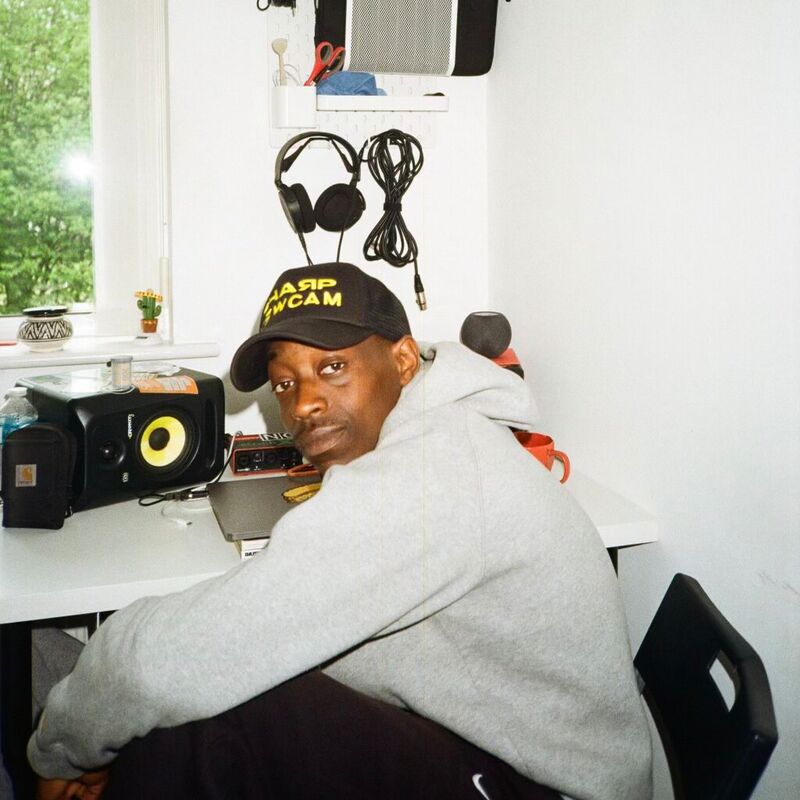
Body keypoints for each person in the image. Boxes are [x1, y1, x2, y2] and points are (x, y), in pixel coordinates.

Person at [29, 262, 652, 800]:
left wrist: (63, 749)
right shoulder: (432, 438)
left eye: (332, 368)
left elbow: (157, 667)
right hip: (499, 740)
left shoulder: (432, 476)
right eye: (285, 383)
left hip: (544, 784)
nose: (302, 404)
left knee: (214, 726)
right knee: (229, 682)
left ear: (403, 361)